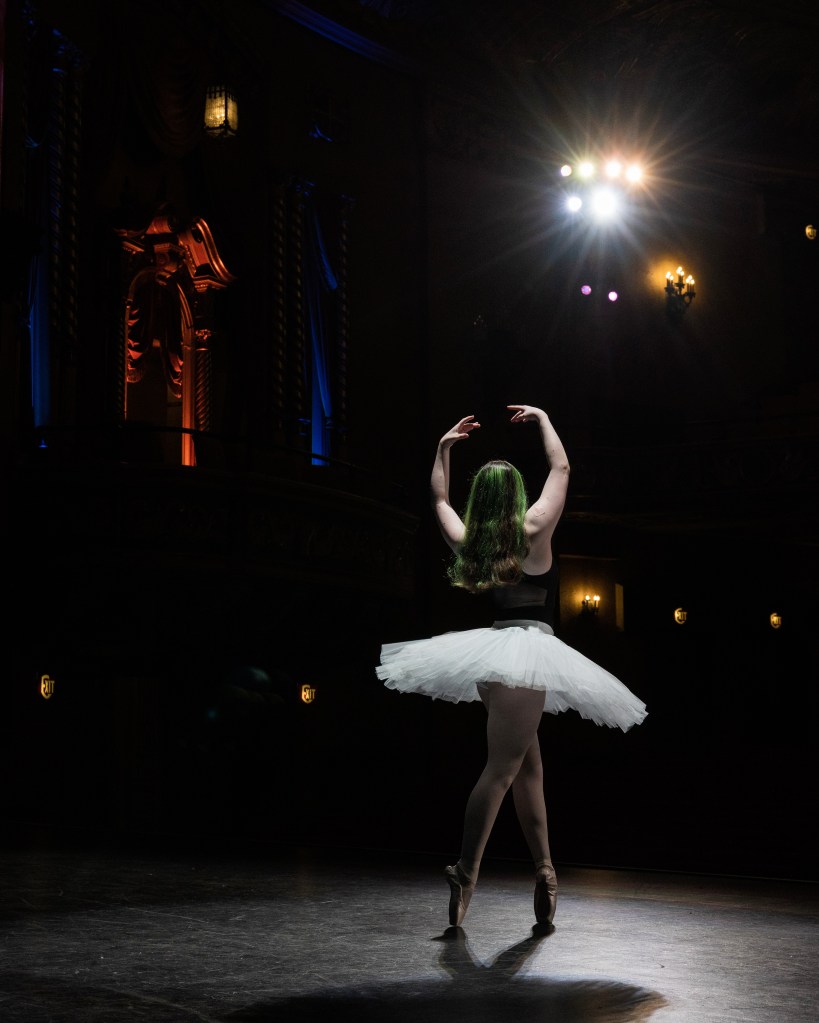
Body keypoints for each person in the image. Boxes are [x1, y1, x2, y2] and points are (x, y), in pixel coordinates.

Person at [376, 405, 647, 928]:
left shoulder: (473, 543)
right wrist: (545, 419)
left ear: (481, 499)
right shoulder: (535, 528)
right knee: (502, 770)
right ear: (517, 495)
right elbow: (562, 470)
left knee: (529, 769)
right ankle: (466, 870)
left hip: (493, 655)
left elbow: (437, 498)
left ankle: (545, 874)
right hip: (526, 656)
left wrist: (443, 448)